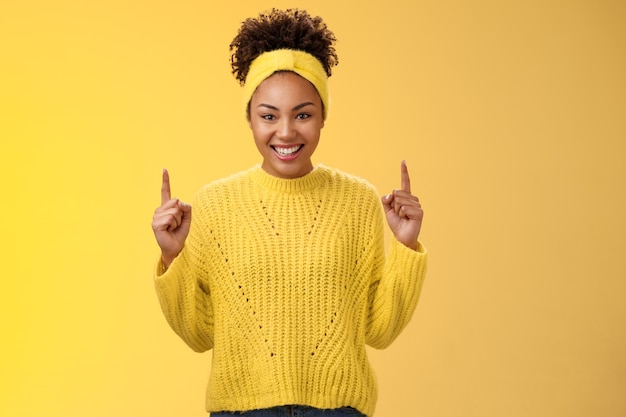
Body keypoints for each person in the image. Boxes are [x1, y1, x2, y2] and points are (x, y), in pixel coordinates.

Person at [151, 8, 427, 417]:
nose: (285, 132)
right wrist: (173, 256)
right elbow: (200, 334)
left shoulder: (358, 200)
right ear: (249, 119)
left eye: (303, 114)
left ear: (322, 117)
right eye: (268, 116)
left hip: (339, 409)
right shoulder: (214, 204)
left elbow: (379, 331)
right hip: (240, 410)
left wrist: (405, 245)